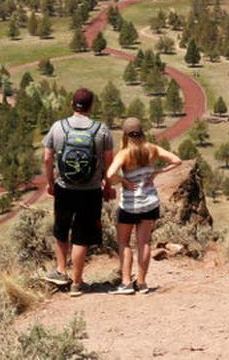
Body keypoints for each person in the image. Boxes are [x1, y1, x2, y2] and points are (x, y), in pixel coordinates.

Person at [43, 87, 115, 296]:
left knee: (61, 229)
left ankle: (60, 270)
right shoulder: (101, 130)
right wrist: (107, 187)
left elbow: (47, 158)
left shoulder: (58, 127)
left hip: (64, 187)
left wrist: (50, 182)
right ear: (92, 106)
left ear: (71, 104)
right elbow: (109, 162)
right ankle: (77, 282)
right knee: (82, 236)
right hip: (90, 190)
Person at [105, 116, 182, 295]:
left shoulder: (124, 153)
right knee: (144, 242)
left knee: (124, 243)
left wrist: (122, 180)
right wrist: (158, 172)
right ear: (142, 132)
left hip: (130, 205)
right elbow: (177, 160)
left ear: (125, 134)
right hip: (150, 202)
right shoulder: (152, 149)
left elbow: (109, 175)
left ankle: (125, 283)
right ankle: (142, 282)